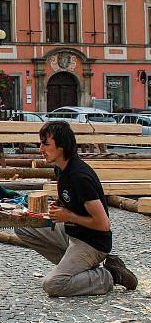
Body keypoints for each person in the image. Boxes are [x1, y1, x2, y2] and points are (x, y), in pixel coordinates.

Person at [15, 121, 137, 296]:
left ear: (62, 147)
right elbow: (71, 200)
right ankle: (78, 269)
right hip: (74, 232)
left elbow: (103, 225)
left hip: (92, 242)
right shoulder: (61, 169)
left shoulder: (79, 177)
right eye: (40, 143)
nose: (41, 148)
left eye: (46, 144)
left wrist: (69, 216)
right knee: (23, 226)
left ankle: (110, 275)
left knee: (53, 285)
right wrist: (59, 206)